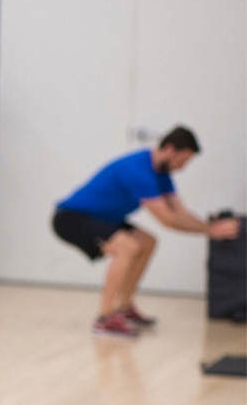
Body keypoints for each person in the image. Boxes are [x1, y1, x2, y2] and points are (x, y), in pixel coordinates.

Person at [52, 126, 241, 338]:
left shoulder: (162, 173)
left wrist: (210, 228)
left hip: (104, 219)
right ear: (170, 150)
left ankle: (124, 308)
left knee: (148, 242)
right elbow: (168, 220)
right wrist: (210, 231)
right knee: (127, 246)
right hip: (72, 217)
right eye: (183, 161)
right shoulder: (138, 170)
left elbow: (179, 211)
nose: (182, 167)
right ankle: (104, 320)